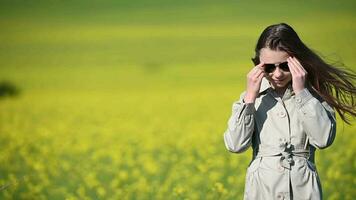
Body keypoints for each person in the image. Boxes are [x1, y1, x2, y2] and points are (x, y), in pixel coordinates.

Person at [223, 23, 356, 200]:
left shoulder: (312, 96)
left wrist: (302, 93)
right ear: (258, 65)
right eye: (269, 67)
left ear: (297, 61)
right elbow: (235, 145)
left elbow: (323, 140)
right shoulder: (250, 98)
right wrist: (250, 98)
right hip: (262, 190)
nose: (277, 74)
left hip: (303, 189)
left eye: (284, 66)